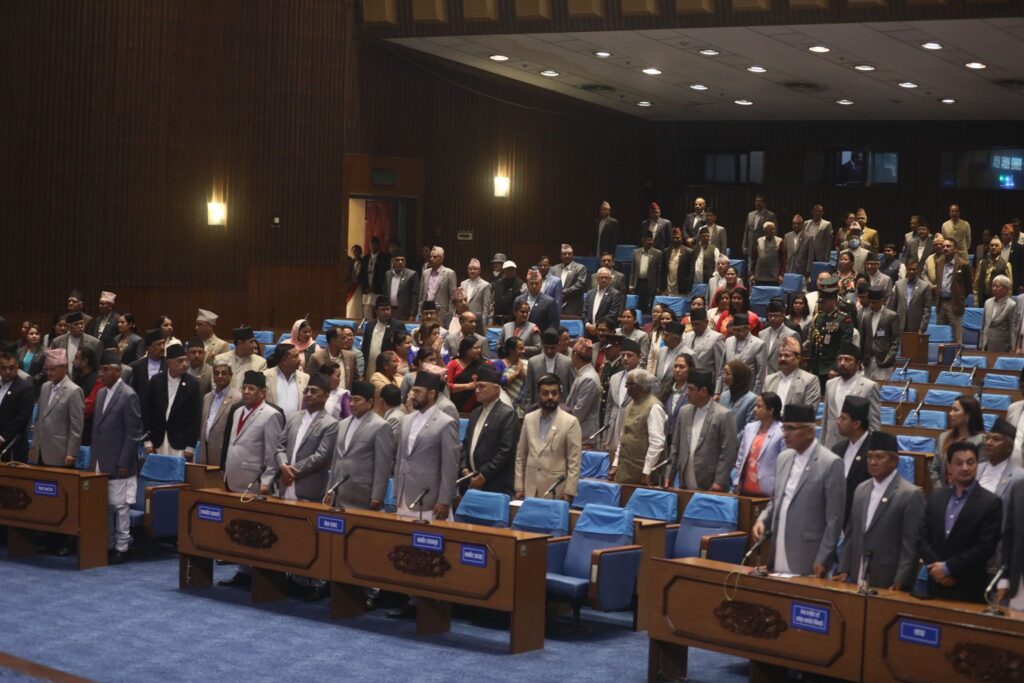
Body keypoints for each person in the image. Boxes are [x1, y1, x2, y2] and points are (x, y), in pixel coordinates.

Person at [752, 403, 845, 577]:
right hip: (779, 549)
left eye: (791, 429)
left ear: (809, 431)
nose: (785, 434)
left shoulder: (830, 463)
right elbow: (776, 500)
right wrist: (762, 520)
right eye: (784, 428)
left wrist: (824, 558)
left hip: (809, 557)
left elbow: (834, 519)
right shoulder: (783, 458)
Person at [834, 431, 926, 591]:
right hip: (857, 573)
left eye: (879, 457)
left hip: (888, 577)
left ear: (894, 461)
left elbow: (910, 544)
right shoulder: (861, 489)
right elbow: (851, 534)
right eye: (869, 457)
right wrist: (844, 568)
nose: (873, 462)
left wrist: (902, 579)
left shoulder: (910, 494)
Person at [917, 441, 1002, 603]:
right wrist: (937, 569)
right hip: (934, 584)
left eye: (970, 462)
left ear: (977, 465)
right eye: (959, 463)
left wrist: (949, 568)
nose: (965, 468)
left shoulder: (991, 502)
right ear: (949, 467)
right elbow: (922, 538)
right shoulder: (935, 497)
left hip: (969, 586)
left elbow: (986, 547)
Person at [90, 350, 143, 564]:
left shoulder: (128, 395)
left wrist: (124, 462)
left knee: (120, 507)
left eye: (105, 370)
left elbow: (133, 434)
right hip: (100, 459)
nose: (101, 374)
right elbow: (97, 430)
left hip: (120, 462)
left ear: (118, 371)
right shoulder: (102, 393)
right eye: (100, 370)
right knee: (104, 506)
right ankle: (109, 544)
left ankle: (122, 546)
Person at [394, 371, 460, 523]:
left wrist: (444, 500)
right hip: (404, 494)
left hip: (429, 498)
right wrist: (397, 491)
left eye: (418, 392)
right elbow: (401, 458)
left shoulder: (446, 423)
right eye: (413, 391)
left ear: (431, 394)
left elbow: (450, 466)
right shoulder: (406, 420)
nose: (412, 396)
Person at [325, 379, 395, 510]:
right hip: (339, 492)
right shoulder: (342, 424)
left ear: (369, 402)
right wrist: (329, 489)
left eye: (357, 400)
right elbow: (336, 459)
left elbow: (383, 465)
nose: (352, 404)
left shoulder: (381, 426)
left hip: (362, 493)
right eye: (350, 399)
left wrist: (377, 495)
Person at [666, 369, 738, 491]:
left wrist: (719, 481)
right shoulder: (684, 412)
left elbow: (728, 452)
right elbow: (675, 446)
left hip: (711, 484)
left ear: (703, 391)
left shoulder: (724, 415)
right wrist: (669, 475)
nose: (686, 393)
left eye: (690, 389)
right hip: (684, 483)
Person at [515, 374, 582, 500]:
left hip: (556, 488)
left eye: (554, 393)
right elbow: (521, 455)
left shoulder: (571, 422)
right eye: (545, 393)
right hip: (530, 487)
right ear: (538, 395)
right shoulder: (529, 419)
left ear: (559, 395)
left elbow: (574, 460)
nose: (550, 397)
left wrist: (569, 491)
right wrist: (519, 486)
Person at [274, 372, 337, 502]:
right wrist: (283, 465)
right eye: (306, 391)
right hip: (285, 485)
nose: (308, 394)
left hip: (309, 489)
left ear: (326, 396)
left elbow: (321, 456)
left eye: (314, 391)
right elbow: (280, 447)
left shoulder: (330, 423)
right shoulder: (294, 417)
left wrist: (290, 471)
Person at [459, 364, 517, 496]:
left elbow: (505, 451)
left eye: (482, 386)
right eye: (476, 386)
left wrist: (484, 475)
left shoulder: (507, 414)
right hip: (469, 481)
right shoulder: (475, 413)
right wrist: (464, 469)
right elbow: (466, 445)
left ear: (496, 389)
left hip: (494, 483)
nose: (477, 391)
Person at [141, 341, 200, 460]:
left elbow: (195, 417)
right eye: (180, 361)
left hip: (181, 443)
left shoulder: (192, 383)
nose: (184, 364)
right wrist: (147, 441)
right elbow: (147, 411)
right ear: (168, 363)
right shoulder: (156, 381)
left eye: (186, 360)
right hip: (157, 441)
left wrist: (190, 446)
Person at [608, 369, 666, 485]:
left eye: (628, 384)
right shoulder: (630, 405)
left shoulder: (654, 407)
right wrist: (615, 464)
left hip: (641, 473)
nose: (625, 386)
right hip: (624, 468)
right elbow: (623, 437)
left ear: (638, 387)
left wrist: (647, 471)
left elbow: (657, 443)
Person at [820, 342, 880, 450]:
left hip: (855, 448)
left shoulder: (869, 387)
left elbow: (874, 425)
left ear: (858, 363)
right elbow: (825, 421)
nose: (842, 363)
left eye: (848, 359)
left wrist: (869, 451)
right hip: (830, 447)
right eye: (840, 359)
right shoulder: (830, 384)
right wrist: (822, 447)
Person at [31, 348, 84, 467]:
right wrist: (34, 445)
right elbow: (39, 419)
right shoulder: (45, 387)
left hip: (60, 452)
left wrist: (72, 453)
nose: (49, 373)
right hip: (40, 450)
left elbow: (76, 427)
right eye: (47, 369)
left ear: (64, 367)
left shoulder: (74, 391)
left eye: (53, 369)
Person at [831, 395, 874, 525]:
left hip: (862, 520)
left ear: (856, 424)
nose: (838, 422)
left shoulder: (874, 451)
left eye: (843, 418)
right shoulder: (838, 449)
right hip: (838, 519)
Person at [732, 392, 784, 497]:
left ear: (771, 410)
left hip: (769, 490)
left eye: (759, 406)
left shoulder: (782, 431)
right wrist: (737, 481)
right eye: (755, 406)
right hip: (745, 487)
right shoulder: (749, 428)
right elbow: (741, 457)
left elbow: (784, 465)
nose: (755, 409)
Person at [806, 276, 854, 391]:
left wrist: (836, 368)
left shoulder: (843, 319)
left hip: (831, 369)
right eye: (820, 302)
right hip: (817, 367)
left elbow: (844, 346)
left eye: (824, 302)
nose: (821, 305)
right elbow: (815, 344)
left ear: (833, 301)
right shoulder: (818, 318)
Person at [925, 238, 973, 345]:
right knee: (940, 335)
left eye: (948, 246)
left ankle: (957, 354)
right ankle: (941, 355)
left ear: (955, 249)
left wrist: (959, 297)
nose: (945, 248)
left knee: (956, 336)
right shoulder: (938, 262)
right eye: (944, 246)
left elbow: (968, 286)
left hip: (954, 303)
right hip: (940, 303)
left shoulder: (963, 264)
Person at [931, 395, 986, 488]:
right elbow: (935, 469)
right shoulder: (943, 437)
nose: (950, 413)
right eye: (951, 409)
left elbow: (980, 474)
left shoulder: (981, 441)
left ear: (968, 416)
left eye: (956, 410)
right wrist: (942, 492)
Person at [601, 338, 642, 453]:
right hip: (613, 428)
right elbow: (609, 408)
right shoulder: (614, 378)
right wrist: (605, 433)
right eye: (623, 355)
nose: (625, 358)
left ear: (639, 357)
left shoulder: (645, 379)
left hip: (632, 430)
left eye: (629, 355)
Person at [199, 358, 240, 465]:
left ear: (231, 375)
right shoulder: (207, 397)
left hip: (224, 453)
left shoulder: (237, 398)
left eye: (224, 373)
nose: (220, 376)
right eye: (216, 373)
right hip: (205, 451)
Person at [0, 343, 35, 463]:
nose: (7, 371)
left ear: (17, 367)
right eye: (4, 368)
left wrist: (2, 437)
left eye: (11, 367)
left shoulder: (25, 387)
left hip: (13, 445)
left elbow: (22, 417)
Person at [716, 317, 765, 397]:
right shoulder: (728, 341)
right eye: (734, 330)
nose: (736, 333)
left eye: (739, 330)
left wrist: (755, 395)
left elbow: (760, 374)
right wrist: (717, 392)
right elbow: (722, 368)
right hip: (727, 390)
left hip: (748, 391)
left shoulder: (758, 344)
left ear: (747, 329)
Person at [565, 338, 601, 445]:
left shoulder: (588, 378)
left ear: (575, 355)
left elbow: (579, 412)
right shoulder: (583, 373)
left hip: (584, 436)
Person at [524, 329, 574, 406]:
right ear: (542, 345)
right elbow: (528, 391)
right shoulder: (533, 362)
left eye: (552, 348)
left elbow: (572, 390)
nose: (549, 351)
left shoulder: (568, 362)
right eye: (546, 347)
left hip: (561, 407)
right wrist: (527, 409)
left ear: (558, 345)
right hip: (539, 407)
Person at [859, 288, 900, 381]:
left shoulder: (891, 316)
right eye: (870, 302)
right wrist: (860, 359)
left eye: (874, 302)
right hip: (868, 361)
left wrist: (888, 359)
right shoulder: (866, 317)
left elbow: (895, 342)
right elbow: (863, 340)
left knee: (882, 387)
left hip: (884, 361)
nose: (871, 305)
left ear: (882, 301)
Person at [263, 344, 308, 419]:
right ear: (284, 360)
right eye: (295, 356)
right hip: (272, 422)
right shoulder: (265, 376)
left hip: (296, 423)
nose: (299, 359)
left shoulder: (305, 378)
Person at [888, 258, 932, 334]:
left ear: (918, 270)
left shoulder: (924, 286)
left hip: (916, 326)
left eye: (914, 269)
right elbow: (893, 307)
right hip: (900, 325)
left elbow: (927, 310)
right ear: (906, 269)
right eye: (909, 269)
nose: (911, 271)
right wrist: (893, 325)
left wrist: (922, 328)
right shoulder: (899, 284)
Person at [681, 311, 724, 387]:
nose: (694, 327)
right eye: (692, 324)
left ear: (706, 322)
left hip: (706, 384)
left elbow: (720, 367)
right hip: (687, 383)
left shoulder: (716, 338)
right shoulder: (687, 336)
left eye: (697, 324)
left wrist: (717, 389)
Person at [417, 245, 459, 319]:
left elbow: (453, 297)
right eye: (430, 257)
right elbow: (421, 294)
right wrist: (419, 310)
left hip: (442, 313)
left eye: (435, 257)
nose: (431, 259)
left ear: (441, 259)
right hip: (426, 311)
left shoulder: (449, 273)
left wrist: (450, 315)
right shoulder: (425, 273)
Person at [516, 267, 559, 335]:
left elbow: (553, 325)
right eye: (531, 283)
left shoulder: (550, 302)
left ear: (541, 284)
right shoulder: (518, 300)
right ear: (527, 284)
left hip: (541, 337)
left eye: (536, 283)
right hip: (520, 337)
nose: (534, 286)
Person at [446, 337, 485, 412]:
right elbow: (447, 387)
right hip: (456, 405)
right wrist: (467, 386)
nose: (479, 350)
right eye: (475, 348)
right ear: (466, 349)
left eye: (479, 347)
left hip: (476, 406)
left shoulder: (482, 364)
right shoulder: (453, 364)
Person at [759, 300, 798, 375]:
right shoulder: (761, 334)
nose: (773, 318)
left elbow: (794, 360)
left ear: (783, 316)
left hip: (782, 375)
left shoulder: (791, 334)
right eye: (770, 315)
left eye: (776, 315)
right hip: (763, 376)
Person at [583, 267, 624, 337]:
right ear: (597, 279)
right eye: (601, 277)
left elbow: (612, 314)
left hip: (604, 332)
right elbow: (584, 312)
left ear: (610, 279)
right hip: (589, 331)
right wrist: (587, 325)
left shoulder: (615, 294)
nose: (604, 280)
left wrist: (597, 326)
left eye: (606, 278)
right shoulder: (590, 293)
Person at [550, 244, 589, 317]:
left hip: (573, 306)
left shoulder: (581, 268)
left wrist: (560, 293)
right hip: (556, 306)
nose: (567, 256)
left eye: (569, 254)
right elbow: (550, 284)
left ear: (573, 255)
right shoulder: (554, 268)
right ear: (561, 256)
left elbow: (580, 285)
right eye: (564, 254)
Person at [980, 275, 1016, 352]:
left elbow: (1012, 329)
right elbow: (983, 326)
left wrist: (1013, 347)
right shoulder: (987, 302)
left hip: (1002, 347)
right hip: (985, 346)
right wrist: (980, 345)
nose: (994, 289)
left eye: (997, 286)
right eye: (993, 286)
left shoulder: (1011, 305)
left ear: (1006, 288)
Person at [743, 194, 777, 273]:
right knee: (750, 270)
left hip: (764, 248)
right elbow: (746, 231)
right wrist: (744, 245)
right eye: (756, 201)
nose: (757, 203)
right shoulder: (750, 214)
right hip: (751, 247)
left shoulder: (770, 215)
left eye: (759, 201)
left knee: (760, 270)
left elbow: (774, 233)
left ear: (764, 203)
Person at [630, 234, 662, 312]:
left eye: (651, 240)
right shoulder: (636, 252)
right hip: (638, 283)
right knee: (638, 304)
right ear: (643, 241)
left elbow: (659, 271)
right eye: (648, 240)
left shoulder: (658, 253)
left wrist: (659, 286)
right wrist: (631, 284)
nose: (650, 242)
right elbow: (633, 270)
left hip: (651, 284)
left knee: (649, 306)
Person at [384, 252, 420, 321]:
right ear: (393, 262)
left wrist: (412, 314)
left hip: (405, 313)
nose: (400, 262)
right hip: (390, 311)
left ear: (405, 262)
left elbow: (415, 296)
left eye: (402, 260)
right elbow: (385, 293)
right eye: (397, 260)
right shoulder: (387, 274)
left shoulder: (412, 274)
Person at [460, 258, 494, 328]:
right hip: (464, 319)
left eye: (475, 269)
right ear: (467, 270)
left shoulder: (485, 285)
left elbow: (486, 308)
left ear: (479, 271)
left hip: (477, 321)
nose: (472, 271)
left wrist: (483, 324)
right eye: (470, 269)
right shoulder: (463, 283)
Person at [662, 226, 695, 295]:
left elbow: (691, 272)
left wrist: (688, 288)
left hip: (682, 287)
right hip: (667, 287)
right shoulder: (666, 251)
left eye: (677, 238)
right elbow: (662, 270)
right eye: (673, 238)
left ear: (681, 238)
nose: (675, 240)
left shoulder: (689, 252)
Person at [751, 221, 786, 286]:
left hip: (774, 276)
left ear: (774, 230)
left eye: (772, 229)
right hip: (759, 275)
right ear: (764, 231)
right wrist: (752, 273)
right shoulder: (758, 241)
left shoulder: (780, 241)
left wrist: (781, 275)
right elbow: (754, 259)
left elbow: (783, 260)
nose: (770, 231)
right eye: (767, 229)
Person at [492, 260, 525, 326]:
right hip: (497, 319)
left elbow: (521, 304)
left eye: (512, 270)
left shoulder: (521, 284)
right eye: (508, 270)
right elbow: (493, 301)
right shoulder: (498, 283)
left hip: (512, 320)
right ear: (503, 271)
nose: (510, 272)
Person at [370, 350, 402, 416]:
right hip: (381, 416)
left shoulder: (397, 376)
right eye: (394, 361)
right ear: (385, 365)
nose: (397, 364)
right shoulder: (376, 378)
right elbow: (392, 395)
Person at [784, 215, 810, 285]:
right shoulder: (787, 236)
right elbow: (785, 254)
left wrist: (808, 270)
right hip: (789, 268)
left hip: (802, 269)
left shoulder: (809, 237)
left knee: (801, 289)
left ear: (802, 224)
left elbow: (810, 256)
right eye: (794, 224)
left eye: (798, 224)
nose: (796, 225)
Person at [18, 321, 46, 386]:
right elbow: (17, 367)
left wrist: (31, 381)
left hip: (36, 385)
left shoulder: (45, 352)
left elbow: (45, 372)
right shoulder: (20, 351)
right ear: (26, 336)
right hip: (21, 384)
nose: (34, 336)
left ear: (40, 336)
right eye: (31, 334)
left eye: (37, 334)